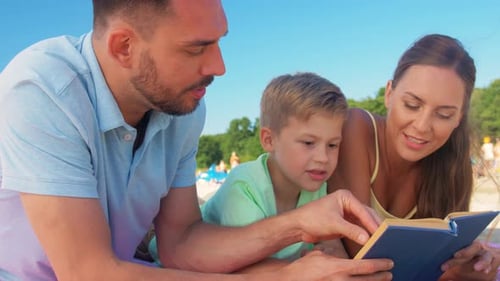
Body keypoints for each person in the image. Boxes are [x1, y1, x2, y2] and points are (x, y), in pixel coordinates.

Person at [0, 1, 394, 280]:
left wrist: (299, 225)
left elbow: (180, 243)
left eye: (219, 41)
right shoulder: (43, 89)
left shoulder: (181, 108)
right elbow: (88, 272)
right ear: (124, 47)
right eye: (196, 48)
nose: (219, 67)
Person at [327, 34, 500, 281]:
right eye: (412, 104)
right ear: (389, 94)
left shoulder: (451, 164)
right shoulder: (356, 128)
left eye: (443, 115)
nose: (421, 126)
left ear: (459, 117)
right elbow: (367, 258)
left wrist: (469, 268)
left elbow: (441, 266)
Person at [202, 72, 349, 261]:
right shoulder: (244, 187)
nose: (323, 158)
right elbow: (246, 266)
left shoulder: (316, 186)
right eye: (308, 143)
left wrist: (331, 256)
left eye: (332, 145)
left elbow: (333, 245)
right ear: (269, 140)